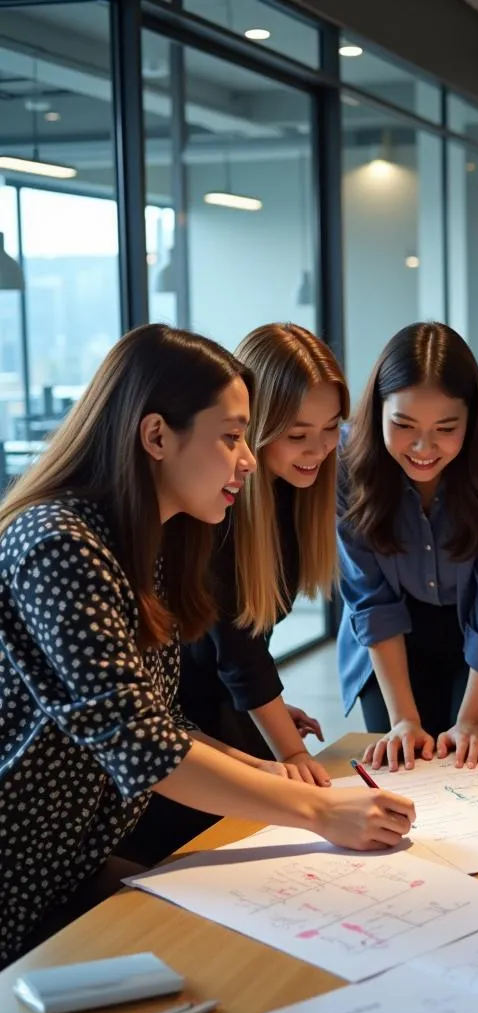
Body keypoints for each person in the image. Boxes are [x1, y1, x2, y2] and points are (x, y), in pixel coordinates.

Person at [0, 325, 414, 968]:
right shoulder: (60, 544)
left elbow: (163, 722)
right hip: (20, 874)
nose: (247, 460)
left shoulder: (150, 543)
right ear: (157, 435)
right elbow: (144, 746)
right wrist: (320, 810)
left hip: (70, 859)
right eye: (231, 437)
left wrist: (266, 771)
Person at [122, 323, 350, 865]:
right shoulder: (209, 511)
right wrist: (288, 758)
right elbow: (233, 656)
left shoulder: (294, 498)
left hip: (195, 723)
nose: (316, 449)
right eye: (296, 434)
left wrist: (265, 722)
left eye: (331, 428)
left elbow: (237, 654)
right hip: (173, 749)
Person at [337, 322, 478, 771]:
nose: (423, 447)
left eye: (445, 428)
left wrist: (471, 719)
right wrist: (402, 720)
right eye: (403, 424)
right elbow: (368, 596)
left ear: (471, 419)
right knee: (402, 759)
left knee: (476, 763)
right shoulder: (347, 463)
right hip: (391, 636)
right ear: (377, 412)